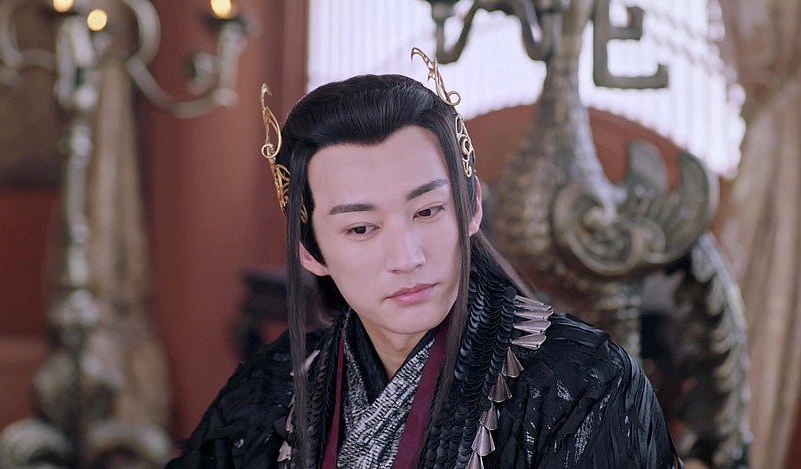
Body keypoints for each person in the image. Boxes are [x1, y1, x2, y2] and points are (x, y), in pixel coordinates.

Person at [166, 49, 681, 468]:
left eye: (428, 210)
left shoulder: (585, 384)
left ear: (471, 207)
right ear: (310, 251)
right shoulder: (273, 385)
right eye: (361, 228)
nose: (407, 257)